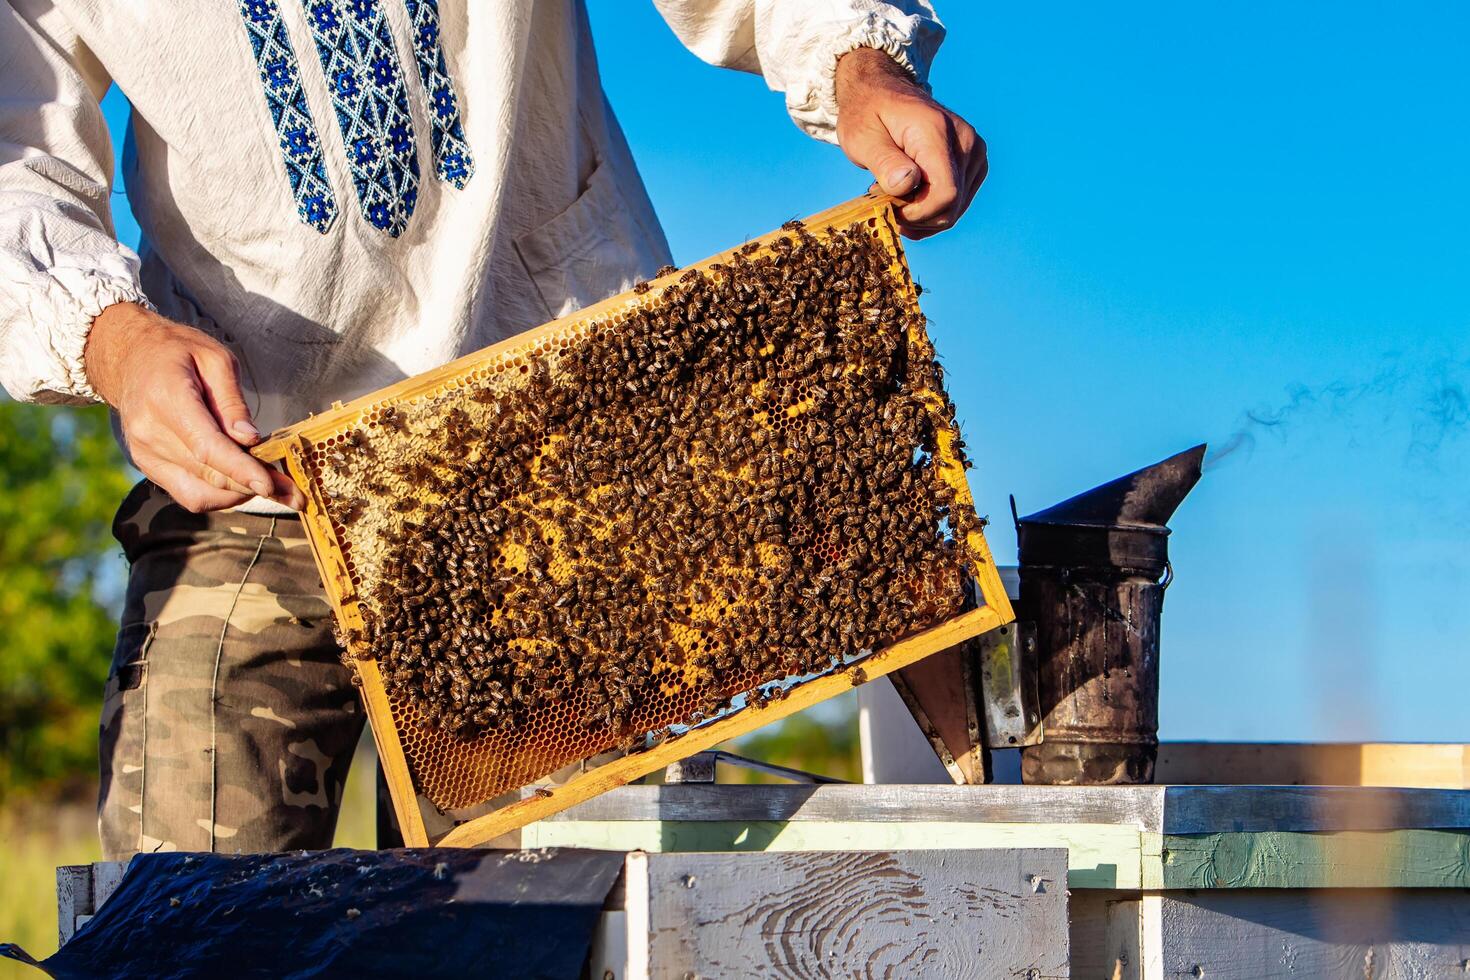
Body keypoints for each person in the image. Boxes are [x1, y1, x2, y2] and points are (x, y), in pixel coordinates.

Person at [0, 0, 986, 859]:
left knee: (545, 913)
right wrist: (113, 343)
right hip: (257, 466)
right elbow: (15, 158)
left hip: (556, 454)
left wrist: (861, 62)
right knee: (187, 906)